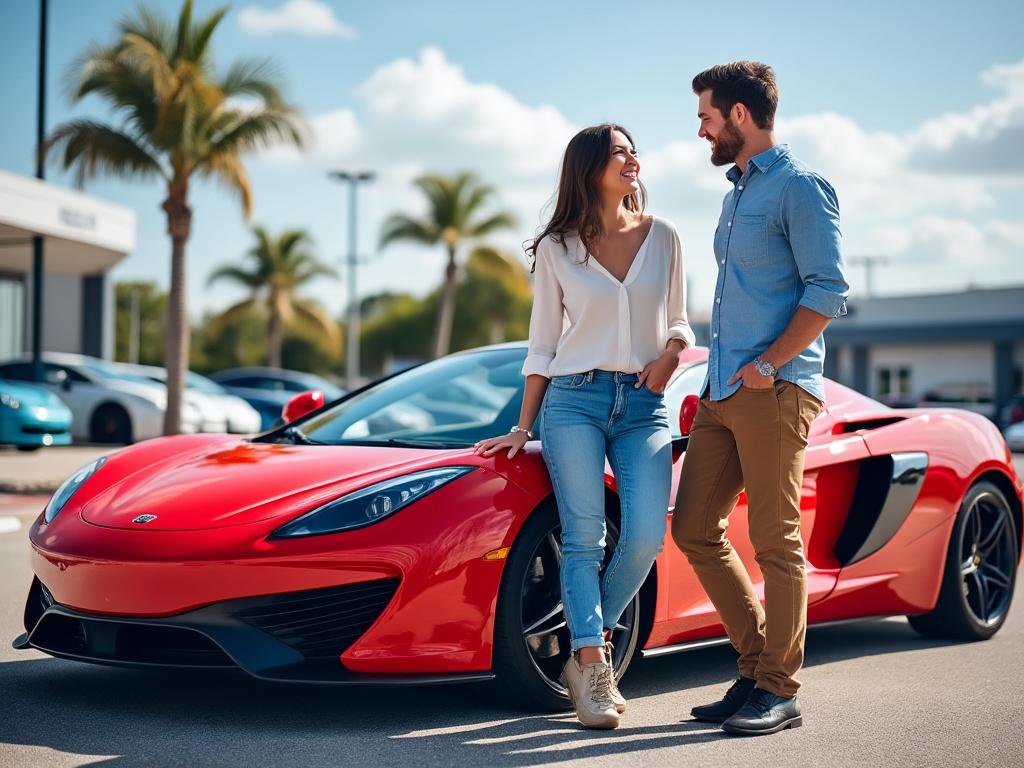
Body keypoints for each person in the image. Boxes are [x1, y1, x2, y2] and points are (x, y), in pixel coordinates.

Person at [474, 123, 695, 729]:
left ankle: (577, 650)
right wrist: (522, 428)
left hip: (643, 405)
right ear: (590, 166)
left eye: (634, 150)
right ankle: (594, 666)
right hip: (572, 401)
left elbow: (680, 321)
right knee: (583, 537)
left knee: (647, 535)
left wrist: (672, 353)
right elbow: (542, 345)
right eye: (620, 152)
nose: (633, 159)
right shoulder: (557, 248)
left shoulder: (665, 236)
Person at [672, 61, 850, 736]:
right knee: (693, 528)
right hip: (723, 390)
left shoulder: (801, 188)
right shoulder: (736, 193)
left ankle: (779, 688)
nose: (701, 130)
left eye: (706, 117)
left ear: (739, 116)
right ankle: (754, 670)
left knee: (777, 543)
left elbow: (828, 291)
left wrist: (769, 366)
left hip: (774, 389)